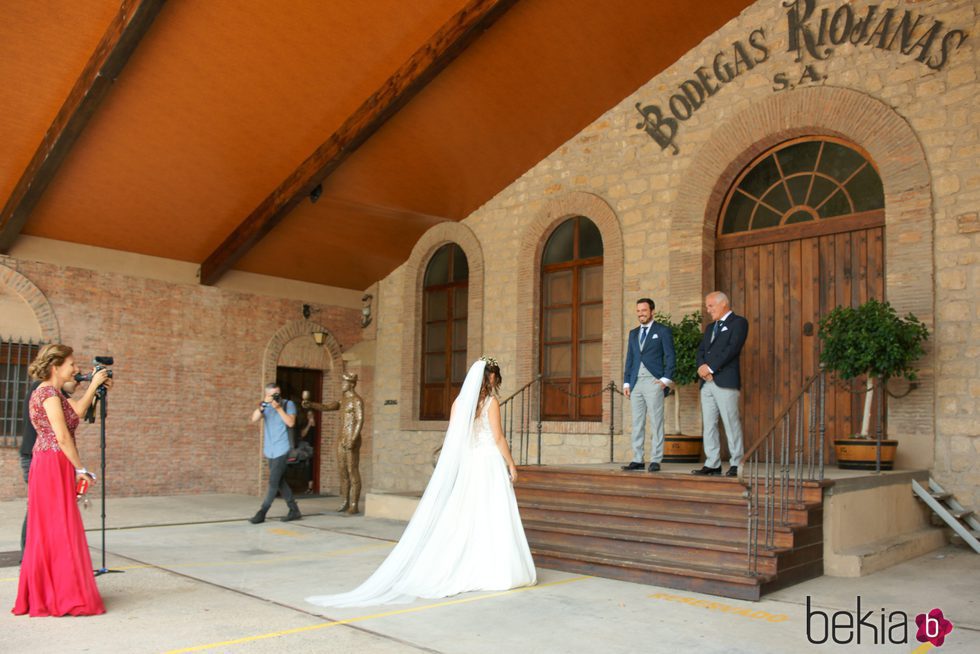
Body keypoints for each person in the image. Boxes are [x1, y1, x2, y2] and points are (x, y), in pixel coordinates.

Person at [306, 357, 536, 608]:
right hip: (488, 463)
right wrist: (511, 464)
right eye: (495, 378)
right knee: (491, 514)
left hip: (469, 464)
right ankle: (492, 568)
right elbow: (499, 437)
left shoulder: (459, 403)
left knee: (466, 514)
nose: (495, 382)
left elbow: (454, 440)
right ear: (491, 378)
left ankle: (464, 564)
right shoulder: (492, 403)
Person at [13, 344, 109, 617]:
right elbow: (62, 436)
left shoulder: (50, 392)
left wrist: (95, 387)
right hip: (52, 462)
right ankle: (60, 594)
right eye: (71, 364)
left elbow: (77, 412)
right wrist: (81, 469)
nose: (75, 368)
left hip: (51, 462)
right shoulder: (47, 393)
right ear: (56, 367)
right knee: (58, 527)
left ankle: (50, 590)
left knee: (53, 528)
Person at [692, 291, 748, 477]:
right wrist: (701, 367)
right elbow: (701, 350)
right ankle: (712, 463)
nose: (708, 310)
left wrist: (711, 368)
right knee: (709, 424)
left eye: (710, 306)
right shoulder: (709, 328)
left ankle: (736, 463)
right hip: (706, 384)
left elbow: (732, 349)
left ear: (723, 304)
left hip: (725, 382)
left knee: (731, 423)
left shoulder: (739, 323)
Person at [622, 298, 675, 472]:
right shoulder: (633, 333)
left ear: (652, 311)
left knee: (656, 421)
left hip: (654, 381)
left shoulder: (662, 331)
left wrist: (666, 379)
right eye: (638, 311)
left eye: (644, 310)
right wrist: (627, 382)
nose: (640, 314)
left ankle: (655, 459)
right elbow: (630, 358)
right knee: (637, 422)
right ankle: (637, 459)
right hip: (636, 382)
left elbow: (670, 356)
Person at [249, 383, 301, 523]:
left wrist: (278, 408)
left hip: (282, 449)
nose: (276, 396)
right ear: (267, 394)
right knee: (280, 481)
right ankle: (294, 510)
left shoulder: (287, 404)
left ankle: (262, 512)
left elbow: (290, 423)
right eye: (272, 394)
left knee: (273, 482)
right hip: (270, 450)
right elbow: (254, 419)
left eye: (277, 393)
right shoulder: (265, 406)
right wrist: (264, 404)